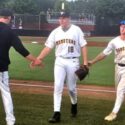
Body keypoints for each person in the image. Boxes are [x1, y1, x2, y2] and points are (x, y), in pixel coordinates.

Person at [33, 11, 88, 123]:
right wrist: (38, 59)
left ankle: (74, 104)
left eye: (64, 18)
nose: (61, 20)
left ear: (69, 19)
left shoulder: (76, 30)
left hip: (73, 61)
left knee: (72, 88)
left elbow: (83, 45)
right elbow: (48, 47)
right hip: (59, 61)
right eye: (60, 18)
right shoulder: (55, 32)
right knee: (58, 87)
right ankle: (56, 113)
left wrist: (85, 62)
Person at [0, 8, 41, 125]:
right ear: (9, 18)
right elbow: (21, 49)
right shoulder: (9, 31)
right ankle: (10, 121)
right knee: (6, 95)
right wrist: (35, 60)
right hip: (1, 68)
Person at [88, 20, 125, 122]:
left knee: (121, 90)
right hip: (118, 68)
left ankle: (114, 113)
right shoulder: (114, 42)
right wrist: (93, 61)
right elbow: (104, 53)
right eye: (121, 26)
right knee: (118, 90)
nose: (123, 28)